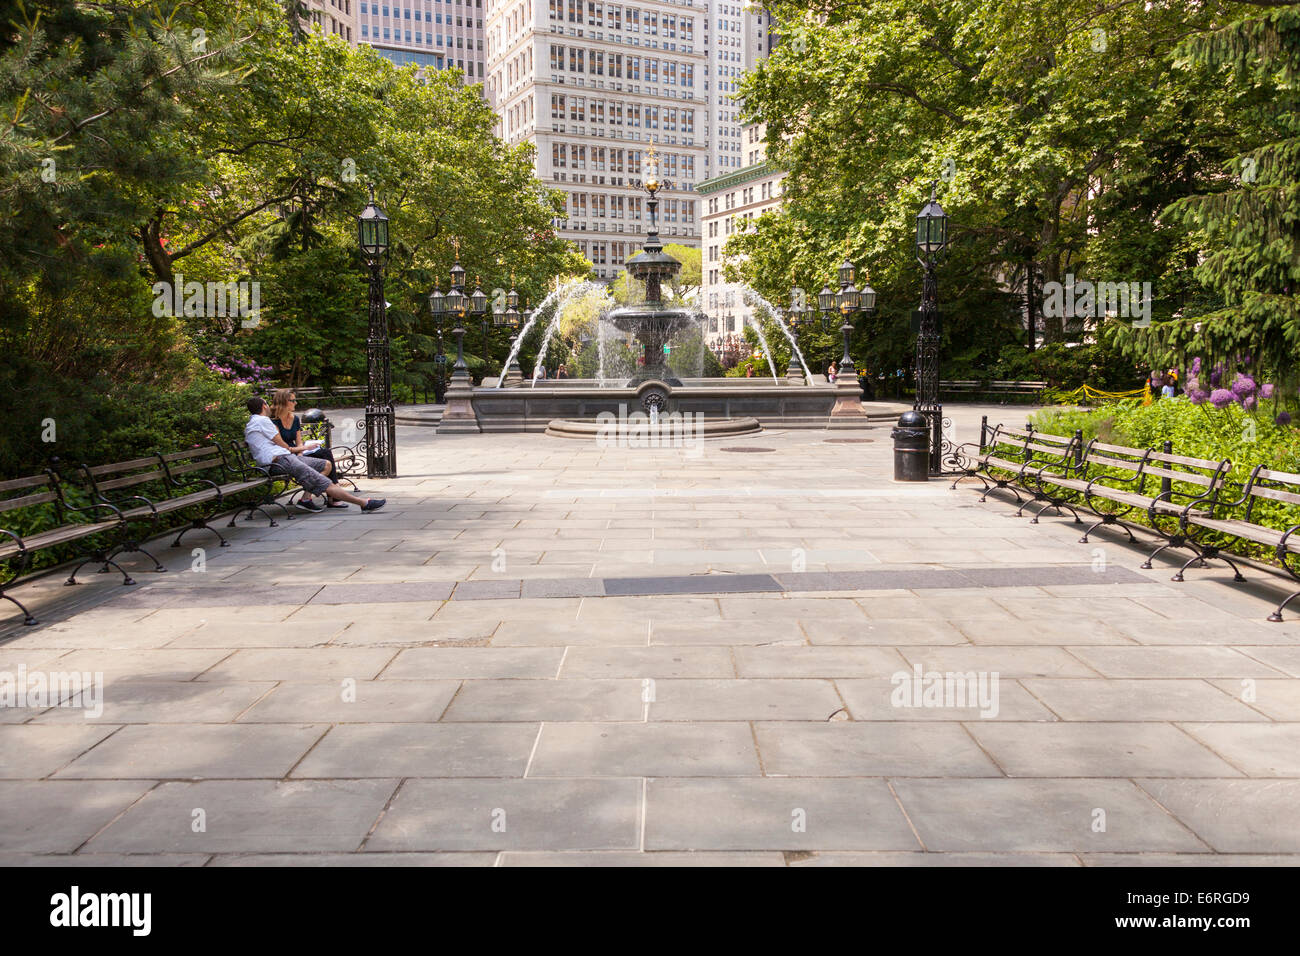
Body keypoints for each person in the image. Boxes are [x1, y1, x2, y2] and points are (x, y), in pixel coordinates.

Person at [243, 397, 385, 513]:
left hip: (284, 458)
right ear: (263, 406)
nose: (268, 406)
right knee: (321, 480)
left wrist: (300, 450)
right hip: (279, 461)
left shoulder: (254, 422)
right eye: (266, 404)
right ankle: (363, 503)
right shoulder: (262, 421)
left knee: (326, 464)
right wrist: (304, 448)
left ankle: (306, 499)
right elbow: (283, 445)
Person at [269, 388, 345, 508]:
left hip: (297, 453)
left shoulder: (295, 419)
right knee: (326, 458)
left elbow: (299, 441)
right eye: (292, 400)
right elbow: (282, 445)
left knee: (325, 452)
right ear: (283, 402)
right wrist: (300, 451)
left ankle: (325, 492)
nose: (296, 403)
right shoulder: (273, 422)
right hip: (285, 456)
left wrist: (301, 452)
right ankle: (333, 492)